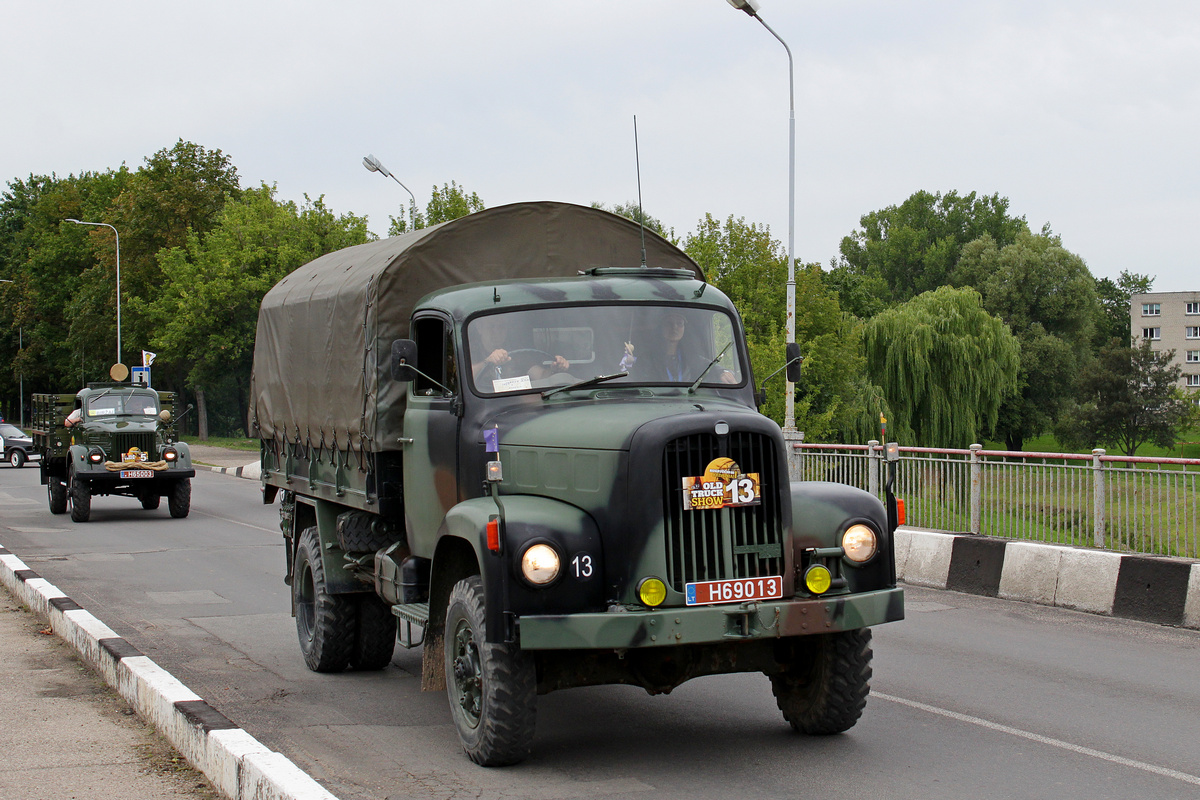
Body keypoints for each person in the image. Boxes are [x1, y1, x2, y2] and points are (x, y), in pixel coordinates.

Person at [636, 311, 737, 384]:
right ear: (661, 328)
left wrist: (723, 372)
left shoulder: (691, 358)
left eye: (679, 323)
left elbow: (710, 367)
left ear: (684, 329)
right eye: (669, 323)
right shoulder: (646, 359)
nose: (674, 327)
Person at [471, 315, 569, 384]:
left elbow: (540, 376)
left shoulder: (517, 352)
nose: (496, 332)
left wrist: (555, 369)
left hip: (515, 404)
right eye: (491, 327)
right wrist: (487, 362)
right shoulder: (470, 350)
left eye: (501, 327)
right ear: (480, 328)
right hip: (483, 404)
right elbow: (465, 379)